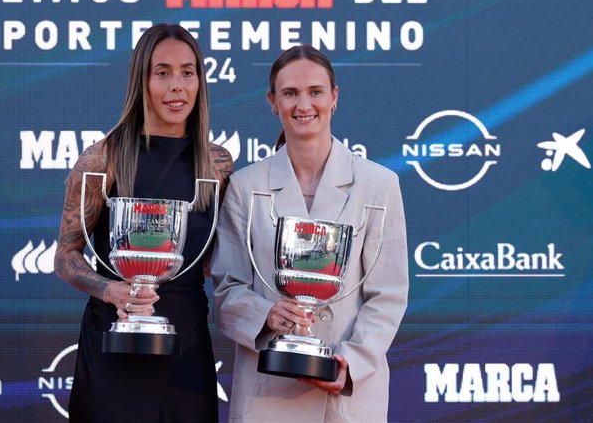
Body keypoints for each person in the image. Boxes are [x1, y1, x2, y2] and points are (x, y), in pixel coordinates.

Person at [211, 44, 408, 423]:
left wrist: (349, 365)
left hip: (348, 398)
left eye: (315, 91)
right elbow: (227, 290)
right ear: (272, 101)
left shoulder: (379, 185)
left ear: (334, 97)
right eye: (290, 93)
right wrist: (267, 314)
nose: (304, 104)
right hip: (268, 396)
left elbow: (388, 294)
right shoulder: (244, 186)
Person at [54, 23, 234, 423]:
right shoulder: (102, 159)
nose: (177, 87)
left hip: (186, 342)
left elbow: (212, 260)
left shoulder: (218, 164)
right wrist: (111, 290)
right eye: (163, 73)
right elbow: (65, 255)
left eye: (188, 73)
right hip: (114, 342)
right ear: (142, 80)